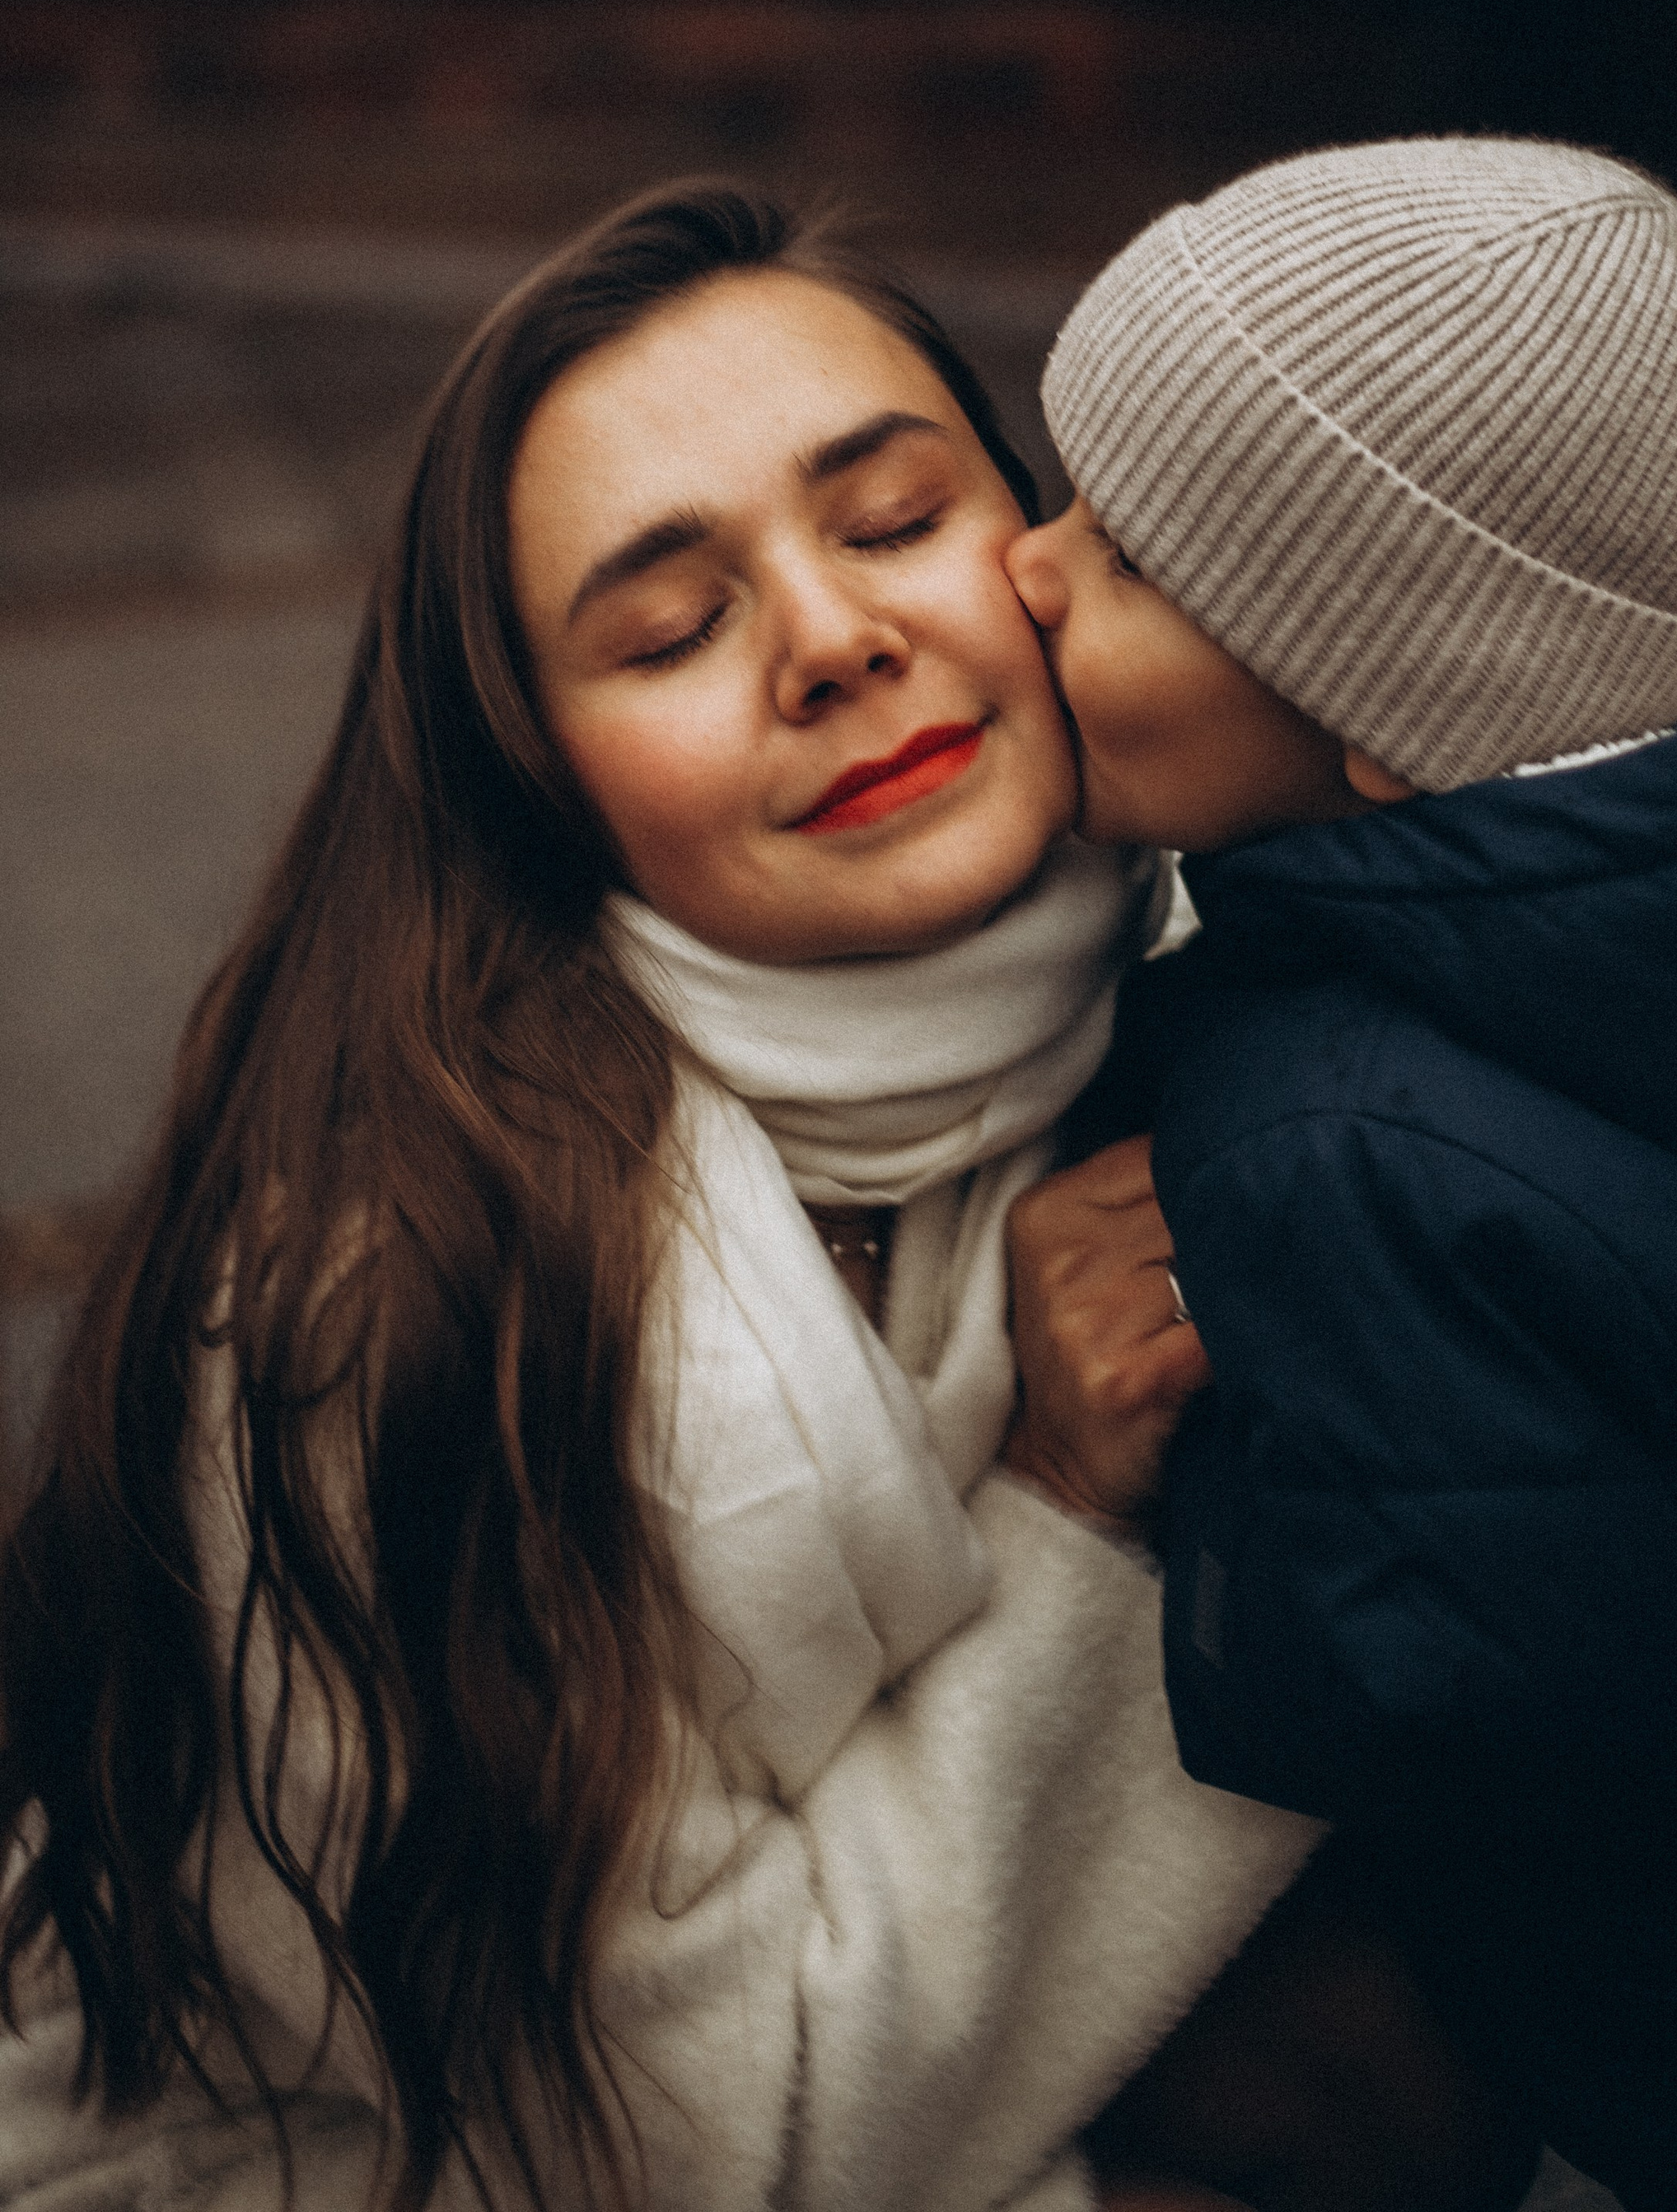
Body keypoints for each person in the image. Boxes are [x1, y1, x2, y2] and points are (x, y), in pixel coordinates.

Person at [0, 180, 1346, 2212]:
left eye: (894, 520)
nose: (832, 639)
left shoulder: (1207, 965)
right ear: (543, 783)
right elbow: (683, 2143)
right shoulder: (388, 1311)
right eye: (668, 627)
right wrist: (1074, 1519)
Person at [1004, 136, 1677, 2212]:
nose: (1023, 567)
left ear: (1399, 728)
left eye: (1135, 565)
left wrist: (1149, 1490)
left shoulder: (1357, 1143)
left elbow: (1448, 1706)